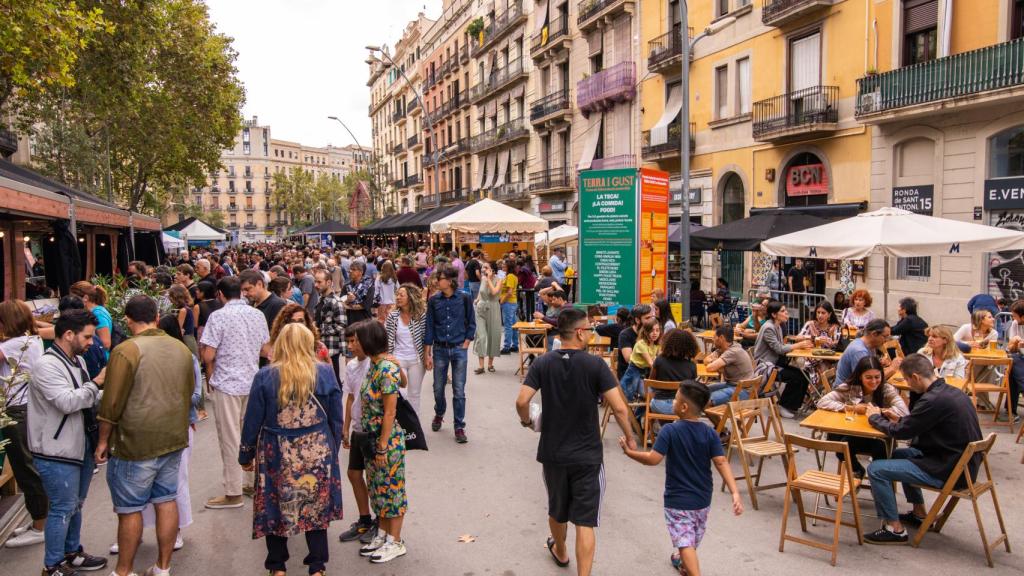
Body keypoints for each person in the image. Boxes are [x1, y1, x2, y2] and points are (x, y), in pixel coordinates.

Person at [515, 307, 636, 576]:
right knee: (585, 521)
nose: (593, 333)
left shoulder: (543, 362)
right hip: (588, 456)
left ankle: (560, 550)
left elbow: (522, 401)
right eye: (590, 329)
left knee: (557, 509)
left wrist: (526, 421)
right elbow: (619, 408)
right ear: (580, 333)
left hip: (553, 453)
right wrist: (629, 437)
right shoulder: (596, 365)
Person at [96, 295, 194, 576]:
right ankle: (163, 567)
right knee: (166, 500)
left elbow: (111, 403)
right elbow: (188, 393)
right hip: (172, 436)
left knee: (129, 509)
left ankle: (123, 571)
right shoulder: (180, 349)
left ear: (128, 319)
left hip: (135, 440)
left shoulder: (127, 350)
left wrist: (103, 441)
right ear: (155, 316)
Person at [239, 323, 344, 576]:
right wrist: (333, 448)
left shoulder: (265, 376)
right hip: (316, 448)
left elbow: (252, 420)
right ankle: (317, 566)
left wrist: (246, 454)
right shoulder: (324, 372)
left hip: (277, 451)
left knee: (274, 505)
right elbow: (336, 417)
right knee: (315, 506)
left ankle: (277, 567)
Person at [618, 382, 743, 576]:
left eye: (675, 399)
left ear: (683, 407)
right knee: (691, 538)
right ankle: (683, 563)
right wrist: (735, 492)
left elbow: (653, 459)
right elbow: (721, 462)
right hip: (703, 499)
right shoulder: (710, 432)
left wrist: (629, 453)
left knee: (685, 542)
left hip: (678, 501)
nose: (673, 401)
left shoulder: (670, 431)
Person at [862, 353, 983, 545]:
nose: (909, 386)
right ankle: (919, 513)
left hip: (948, 470)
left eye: (908, 382)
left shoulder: (931, 400)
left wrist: (874, 418)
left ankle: (894, 529)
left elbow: (901, 433)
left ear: (916, 377)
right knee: (896, 455)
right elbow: (919, 424)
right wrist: (900, 420)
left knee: (876, 469)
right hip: (963, 465)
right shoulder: (952, 392)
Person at [28, 309, 109, 575]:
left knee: (75, 504)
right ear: (69, 334)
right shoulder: (46, 365)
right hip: (55, 450)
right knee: (63, 507)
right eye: (87, 337)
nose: (91, 343)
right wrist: (97, 384)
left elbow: (85, 397)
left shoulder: (77, 361)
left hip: (77, 445)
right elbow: (67, 401)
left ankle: (72, 552)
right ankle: (51, 566)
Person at [200, 276, 270, 510]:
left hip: (228, 384)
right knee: (251, 435)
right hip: (252, 382)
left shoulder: (217, 316)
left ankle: (233, 492)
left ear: (220, 294)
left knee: (230, 439)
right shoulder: (257, 314)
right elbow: (265, 349)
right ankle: (250, 482)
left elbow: (208, 355)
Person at [353, 320, 409, 564]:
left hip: (386, 441)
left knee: (392, 491)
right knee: (378, 490)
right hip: (373, 439)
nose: (354, 344)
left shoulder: (385, 368)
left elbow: (390, 411)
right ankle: (384, 535)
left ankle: (395, 542)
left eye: (357, 340)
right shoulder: (377, 365)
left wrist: (383, 445)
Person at [0, 300, 48, 549]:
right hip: (26, 408)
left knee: (25, 469)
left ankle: (40, 525)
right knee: (28, 467)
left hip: (16, 410)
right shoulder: (31, 340)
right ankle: (38, 519)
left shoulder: (14, 344)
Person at [816, 356, 909, 477]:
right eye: (868, 377)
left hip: (878, 435)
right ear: (860, 376)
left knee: (879, 446)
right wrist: (851, 408)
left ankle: (879, 480)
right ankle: (858, 470)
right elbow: (822, 402)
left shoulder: (886, 389)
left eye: (877, 377)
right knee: (842, 445)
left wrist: (877, 411)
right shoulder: (851, 388)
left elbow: (904, 412)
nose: (874, 381)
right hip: (855, 432)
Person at [424, 265, 475, 443]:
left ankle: (459, 426)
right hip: (440, 349)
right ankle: (439, 412)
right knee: (438, 387)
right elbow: (429, 326)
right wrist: (427, 353)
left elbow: (471, 321)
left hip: (459, 348)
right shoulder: (433, 300)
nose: (438, 281)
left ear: (451, 280)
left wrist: (467, 341)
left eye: (441, 278)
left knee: (459, 390)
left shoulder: (465, 297)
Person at [337, 323, 377, 545]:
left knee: (374, 477)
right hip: (358, 428)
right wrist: (346, 427)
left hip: (373, 430)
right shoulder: (351, 366)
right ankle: (365, 519)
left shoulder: (376, 363)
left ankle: (381, 522)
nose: (350, 346)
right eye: (348, 341)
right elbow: (351, 398)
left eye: (354, 341)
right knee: (354, 474)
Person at [753, 301, 813, 418]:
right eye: (783, 311)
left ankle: (792, 406)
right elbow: (779, 348)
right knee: (796, 377)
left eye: (785, 310)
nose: (786, 313)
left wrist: (797, 343)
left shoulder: (778, 326)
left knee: (804, 374)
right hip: (766, 367)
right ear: (774, 315)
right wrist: (798, 345)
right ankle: (783, 406)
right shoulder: (768, 328)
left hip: (775, 363)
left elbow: (781, 346)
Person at [386, 284, 430, 415]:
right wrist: (388, 358)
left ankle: (414, 426)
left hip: (416, 360)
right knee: (401, 394)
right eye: (397, 295)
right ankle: (403, 426)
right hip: (397, 359)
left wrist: (428, 356)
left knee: (414, 394)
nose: (398, 297)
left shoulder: (421, 315)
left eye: (401, 295)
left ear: (410, 297)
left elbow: (426, 338)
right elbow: (388, 339)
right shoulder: (392, 316)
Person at [835, 319, 900, 388]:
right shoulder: (860, 351)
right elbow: (869, 381)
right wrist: (892, 369)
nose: (886, 340)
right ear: (874, 334)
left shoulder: (870, 346)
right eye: (885, 336)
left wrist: (879, 364)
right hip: (847, 393)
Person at [648, 329, 699, 414]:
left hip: (659, 405)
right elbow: (691, 389)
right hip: (681, 408)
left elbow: (651, 382)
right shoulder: (691, 365)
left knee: (650, 389)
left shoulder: (659, 360)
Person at [703, 325, 756, 407]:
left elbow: (710, 368)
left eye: (714, 337)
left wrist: (715, 363)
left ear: (721, 338)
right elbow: (706, 359)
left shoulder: (733, 352)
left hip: (743, 391)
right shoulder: (725, 348)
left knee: (705, 399)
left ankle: (694, 417)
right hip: (732, 385)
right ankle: (717, 419)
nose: (713, 340)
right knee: (701, 391)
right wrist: (715, 362)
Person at [313, 269, 347, 380]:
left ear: (328, 282)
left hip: (331, 350)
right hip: (319, 347)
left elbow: (342, 324)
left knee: (333, 380)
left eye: (319, 282)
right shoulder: (320, 299)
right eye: (315, 282)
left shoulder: (336, 302)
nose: (316, 285)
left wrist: (320, 330)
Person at [621, 317, 662, 401]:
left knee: (650, 396)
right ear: (646, 331)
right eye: (651, 330)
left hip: (644, 374)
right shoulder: (641, 344)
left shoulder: (656, 345)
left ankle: (639, 414)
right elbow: (651, 363)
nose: (655, 333)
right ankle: (632, 413)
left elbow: (660, 359)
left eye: (657, 330)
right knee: (627, 397)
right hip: (633, 372)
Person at [473, 262, 502, 374]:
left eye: (486, 267)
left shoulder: (499, 280)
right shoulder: (483, 279)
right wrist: (477, 299)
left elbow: (494, 292)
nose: (483, 269)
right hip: (481, 308)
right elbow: (481, 292)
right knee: (481, 336)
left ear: (493, 270)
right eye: (482, 267)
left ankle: (490, 364)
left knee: (493, 335)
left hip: (493, 308)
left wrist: (488, 279)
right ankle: (481, 366)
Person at [70, 281, 114, 353]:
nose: (73, 302)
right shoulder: (93, 311)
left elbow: (106, 343)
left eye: (75, 299)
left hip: (99, 359)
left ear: (85, 298)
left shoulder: (98, 314)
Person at [240, 269, 287, 335]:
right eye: (242, 290)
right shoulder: (251, 303)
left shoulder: (278, 305)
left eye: (247, 289)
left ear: (260, 284)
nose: (244, 294)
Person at [617, 304, 655, 382]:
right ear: (637, 320)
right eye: (647, 318)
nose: (651, 321)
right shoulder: (625, 334)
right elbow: (629, 359)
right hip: (630, 377)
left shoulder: (652, 333)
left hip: (648, 374)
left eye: (652, 317)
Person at [1002, 299, 1024, 424]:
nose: (1013, 318)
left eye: (1015, 316)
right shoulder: (1015, 324)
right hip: (1019, 357)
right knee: (1013, 363)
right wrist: (1014, 343)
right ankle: (1010, 410)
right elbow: (1012, 347)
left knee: (1013, 368)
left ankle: (1010, 410)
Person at [166, 284, 198, 357]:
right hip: (190, 336)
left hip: (186, 338)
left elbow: (179, 328)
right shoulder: (187, 308)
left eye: (170, 297)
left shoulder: (183, 310)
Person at [344, 260, 375, 325]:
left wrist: (348, 306)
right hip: (350, 321)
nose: (350, 271)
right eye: (350, 269)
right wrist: (348, 300)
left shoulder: (368, 285)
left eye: (353, 269)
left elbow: (365, 305)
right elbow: (341, 302)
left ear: (361, 272)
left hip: (364, 321)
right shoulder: (347, 285)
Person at [499, 259, 520, 355]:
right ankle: (515, 345)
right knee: (513, 324)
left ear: (509, 266)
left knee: (508, 325)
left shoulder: (510, 276)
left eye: (504, 264)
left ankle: (506, 347)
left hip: (508, 303)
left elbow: (510, 292)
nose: (502, 265)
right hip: (511, 302)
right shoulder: (511, 276)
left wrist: (502, 301)